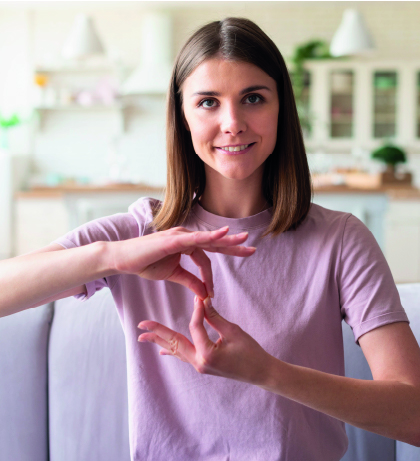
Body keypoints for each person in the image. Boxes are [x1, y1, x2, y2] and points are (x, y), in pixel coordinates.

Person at [1, 17, 420, 461]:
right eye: (208, 102)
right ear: (182, 118)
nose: (233, 123)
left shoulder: (340, 241)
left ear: (282, 109)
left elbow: (413, 416)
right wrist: (110, 256)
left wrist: (268, 373)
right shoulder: (140, 233)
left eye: (253, 98)